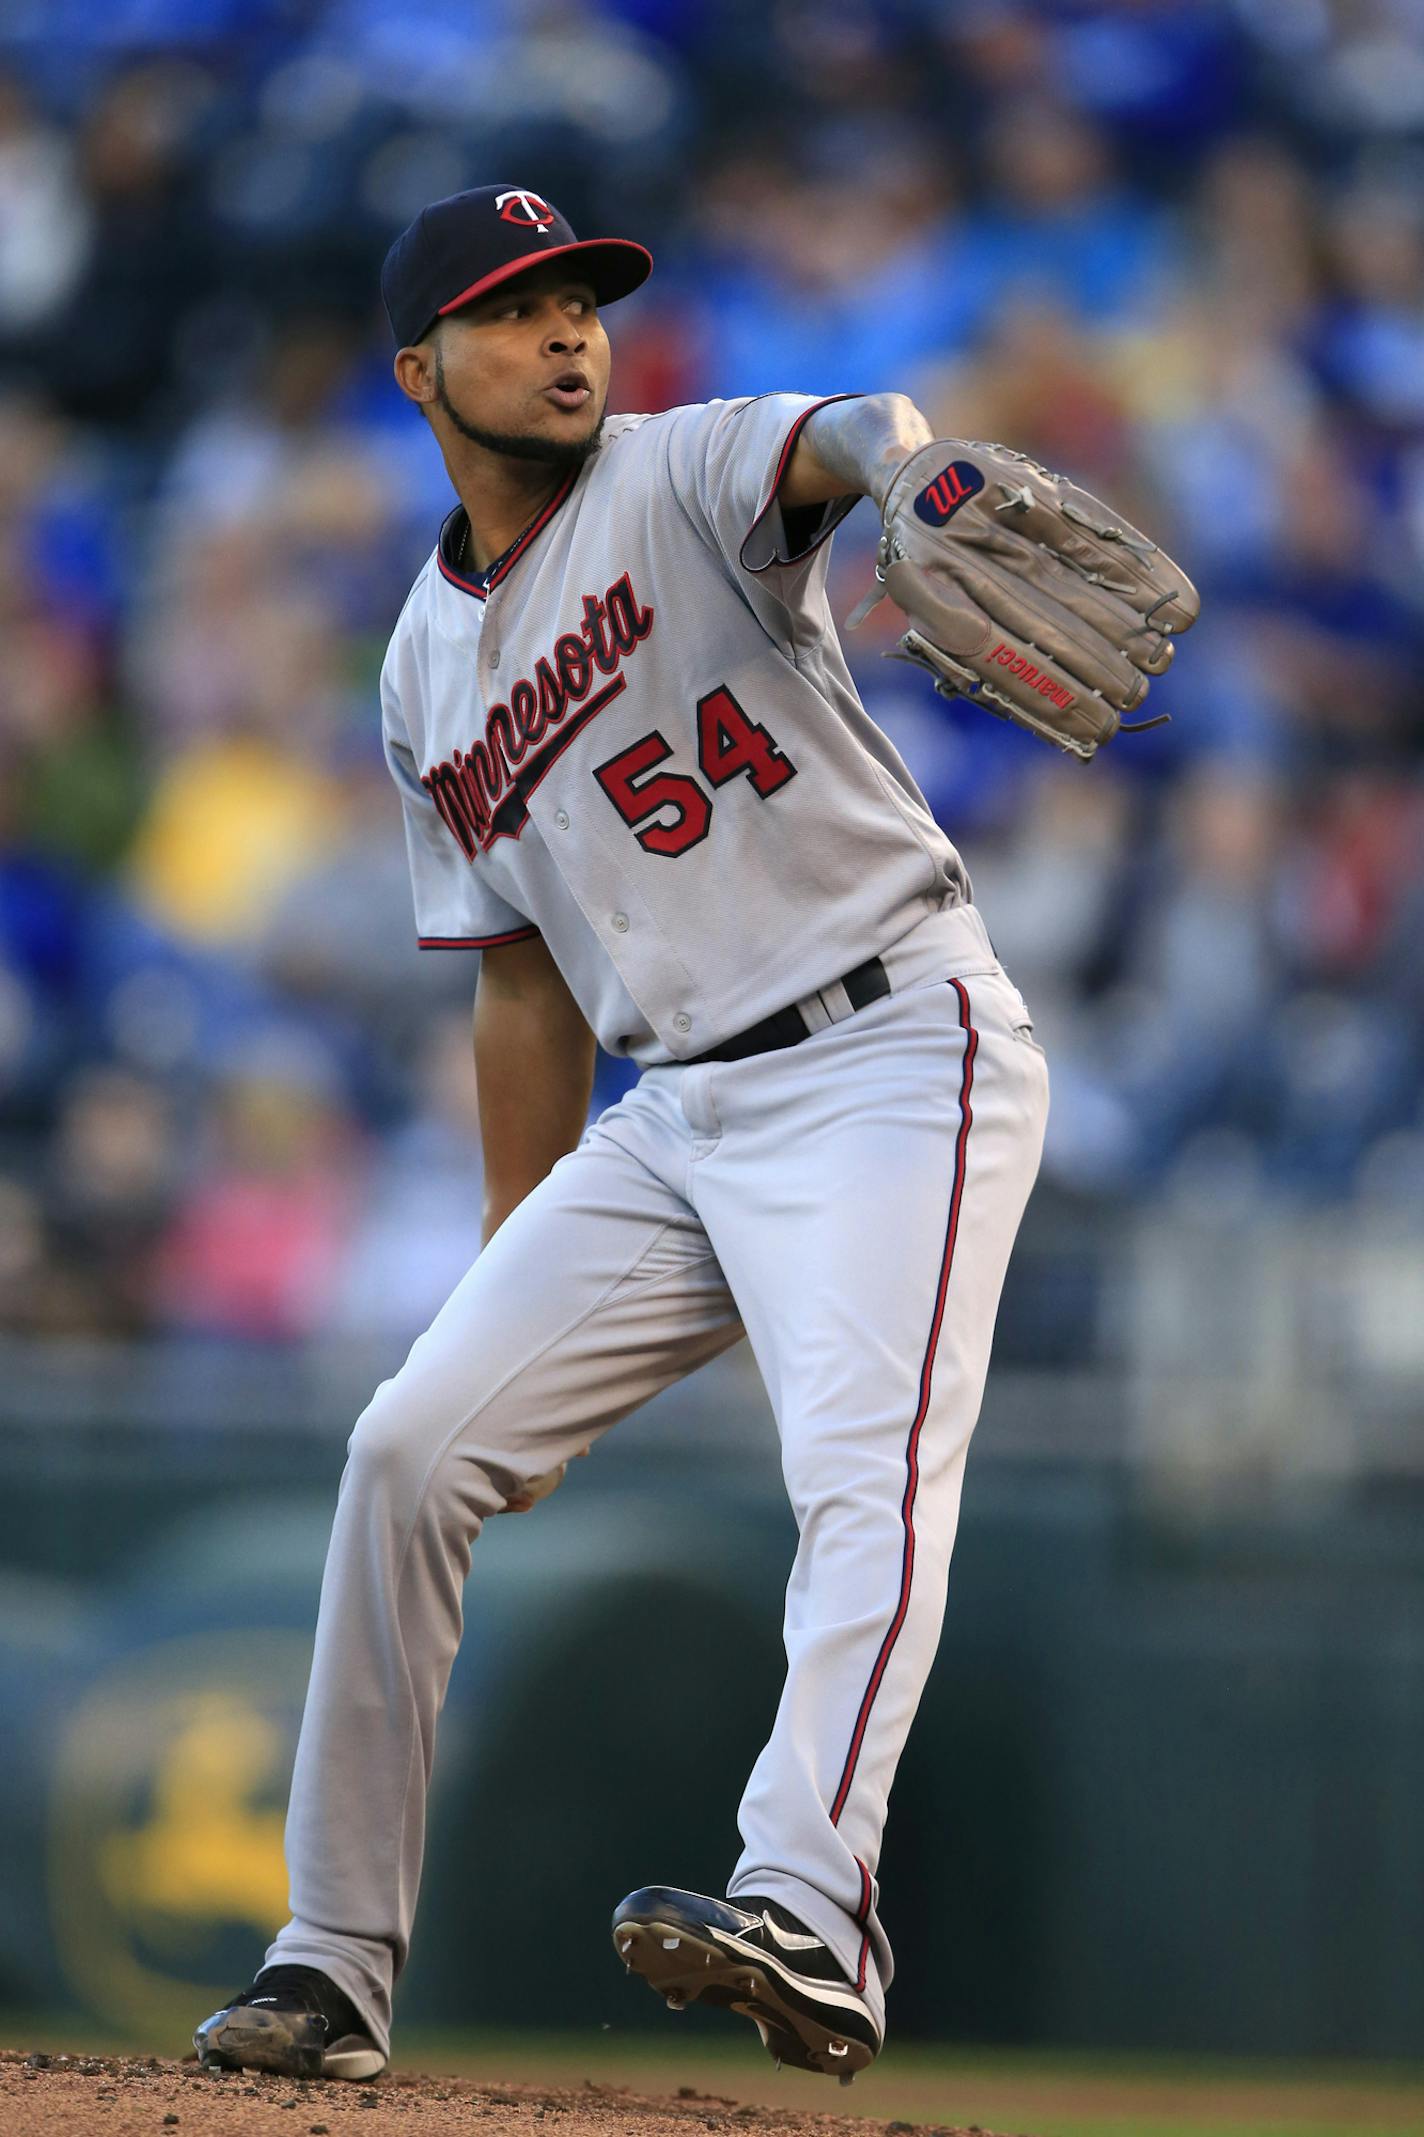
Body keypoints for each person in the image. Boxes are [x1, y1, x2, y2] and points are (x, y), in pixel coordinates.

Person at [194, 184, 1050, 2087]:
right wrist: (520, 1275)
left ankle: (813, 1910)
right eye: (514, 310)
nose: (570, 330)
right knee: (409, 1446)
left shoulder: (684, 471)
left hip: (890, 1042)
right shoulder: (424, 662)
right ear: (420, 371)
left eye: (582, 296)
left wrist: (912, 479)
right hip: (679, 1108)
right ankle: (331, 1961)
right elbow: (519, 984)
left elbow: (849, 435)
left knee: (866, 1475)